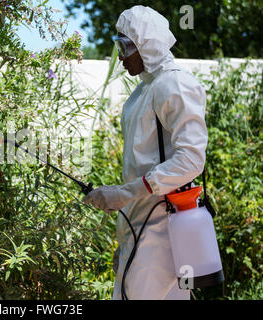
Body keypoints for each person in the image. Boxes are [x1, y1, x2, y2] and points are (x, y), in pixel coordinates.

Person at [83, 5, 208, 300]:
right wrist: (126, 241)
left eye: (127, 46)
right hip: (146, 226)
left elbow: (191, 158)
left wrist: (124, 193)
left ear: (147, 45)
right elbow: (144, 162)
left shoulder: (173, 83)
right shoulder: (144, 90)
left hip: (164, 226)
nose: (122, 56)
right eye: (120, 46)